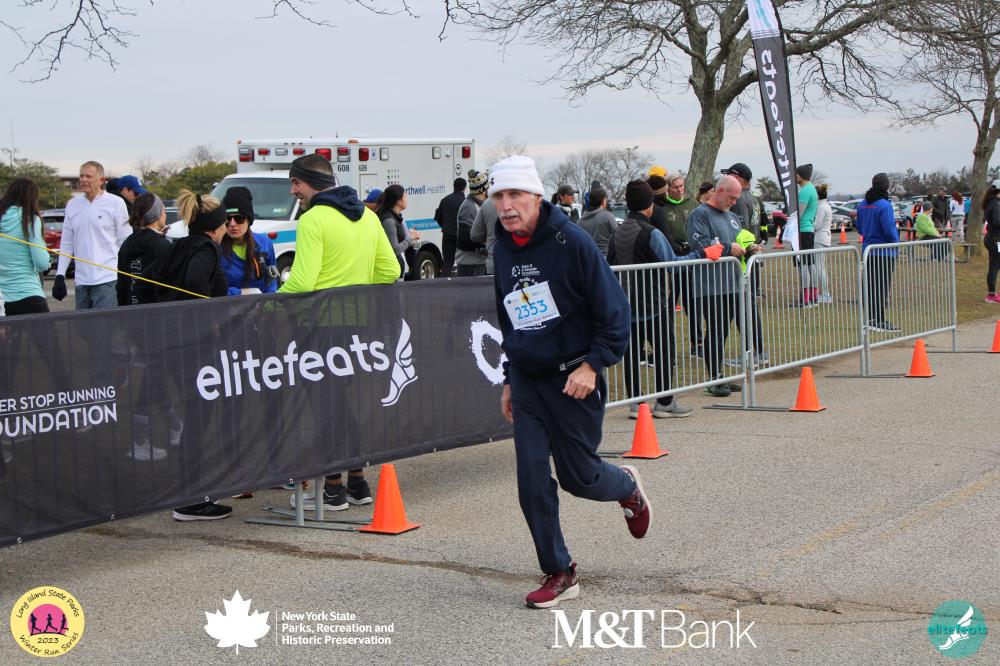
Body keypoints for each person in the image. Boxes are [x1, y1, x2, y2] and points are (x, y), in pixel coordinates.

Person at [490, 155, 651, 609]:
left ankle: (626, 487)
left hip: (573, 378)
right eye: (499, 196)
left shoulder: (572, 242)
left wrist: (592, 365)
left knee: (579, 478)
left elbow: (614, 312)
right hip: (528, 380)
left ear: (536, 196)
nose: (506, 205)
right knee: (531, 480)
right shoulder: (502, 248)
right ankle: (560, 571)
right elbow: (509, 318)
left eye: (515, 195)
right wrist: (509, 377)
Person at [279, 154, 400, 511]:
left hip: (320, 328)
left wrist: (266, 306)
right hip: (358, 327)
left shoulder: (313, 218)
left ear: (311, 183)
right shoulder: (368, 216)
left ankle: (334, 490)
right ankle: (357, 484)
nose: (293, 191)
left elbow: (302, 282)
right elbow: (390, 270)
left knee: (326, 408)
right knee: (343, 405)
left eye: (296, 183)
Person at [608, 179, 722, 418]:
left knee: (632, 355)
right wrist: (703, 253)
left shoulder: (617, 232)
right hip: (653, 303)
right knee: (664, 350)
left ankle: (636, 403)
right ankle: (665, 401)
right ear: (649, 204)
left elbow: (610, 266)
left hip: (625, 303)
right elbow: (673, 264)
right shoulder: (652, 233)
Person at [151, 190, 232, 520]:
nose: (227, 227)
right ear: (215, 226)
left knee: (196, 416)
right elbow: (195, 283)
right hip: (192, 345)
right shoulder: (205, 248)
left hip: (173, 342)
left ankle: (190, 492)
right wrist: (209, 321)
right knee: (199, 417)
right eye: (224, 222)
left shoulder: (182, 245)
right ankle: (189, 499)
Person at [686, 175, 752, 397]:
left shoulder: (731, 216)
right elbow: (700, 245)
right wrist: (727, 248)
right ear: (720, 191)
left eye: (737, 198)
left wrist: (749, 249)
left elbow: (739, 241)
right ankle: (713, 378)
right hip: (710, 285)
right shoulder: (700, 214)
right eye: (732, 197)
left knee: (723, 331)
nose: (734, 202)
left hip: (732, 282)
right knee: (715, 330)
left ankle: (720, 375)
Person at [52, 161, 130, 309]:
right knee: (83, 324)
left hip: (107, 280)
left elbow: (125, 240)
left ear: (101, 180)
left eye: (88, 176)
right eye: (81, 176)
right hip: (81, 282)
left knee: (104, 324)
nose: (83, 180)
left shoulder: (116, 203)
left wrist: (125, 275)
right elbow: (67, 243)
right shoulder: (72, 205)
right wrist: (60, 275)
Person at [856, 173, 900, 331]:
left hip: (868, 250)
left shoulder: (862, 205)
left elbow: (859, 227)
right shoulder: (884, 205)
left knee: (870, 286)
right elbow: (889, 229)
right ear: (886, 186)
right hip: (884, 251)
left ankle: (869, 318)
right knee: (881, 286)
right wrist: (896, 243)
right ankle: (878, 320)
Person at [0, 178, 51, 316]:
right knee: (48, 331)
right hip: (28, 294)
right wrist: (47, 259)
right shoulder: (30, 219)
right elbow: (41, 263)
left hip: (2, 300)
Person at [219, 186, 278, 295]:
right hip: (229, 305)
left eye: (239, 218)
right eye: (228, 218)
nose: (232, 224)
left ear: (249, 220)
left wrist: (270, 298)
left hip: (260, 304)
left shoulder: (265, 243)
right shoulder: (216, 248)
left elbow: (272, 278)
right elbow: (211, 289)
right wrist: (241, 293)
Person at [116, 192, 171, 306]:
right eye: (164, 210)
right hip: (156, 313)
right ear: (157, 214)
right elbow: (167, 288)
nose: (165, 214)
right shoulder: (162, 246)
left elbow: (121, 286)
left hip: (130, 312)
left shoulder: (127, 243)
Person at [376, 184, 419, 280]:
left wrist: (412, 239)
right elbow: (394, 250)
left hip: (396, 270)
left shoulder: (396, 218)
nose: (407, 199)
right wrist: (411, 238)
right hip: (391, 273)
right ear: (398, 201)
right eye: (405, 196)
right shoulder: (389, 221)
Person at [454, 170, 489, 276]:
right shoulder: (469, 207)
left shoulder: (481, 205)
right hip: (470, 266)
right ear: (483, 190)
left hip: (479, 263)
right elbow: (463, 240)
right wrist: (485, 247)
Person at [434, 178, 466, 276]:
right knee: (463, 262)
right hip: (461, 236)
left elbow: (438, 217)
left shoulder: (445, 200)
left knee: (447, 263)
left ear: (454, 186)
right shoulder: (465, 202)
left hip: (447, 235)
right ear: (464, 188)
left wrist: (444, 227)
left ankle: (444, 282)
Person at [577, 187, 618, 256]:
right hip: (605, 256)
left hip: (588, 256)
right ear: (603, 201)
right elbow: (617, 235)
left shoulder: (581, 220)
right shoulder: (608, 216)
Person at [814, 184, 834, 303]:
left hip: (819, 238)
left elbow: (817, 225)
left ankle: (825, 294)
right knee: (820, 267)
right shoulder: (825, 205)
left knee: (819, 267)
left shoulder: (821, 207)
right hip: (823, 238)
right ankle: (824, 294)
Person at [470, 196, 498, 274]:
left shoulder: (488, 203)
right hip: (522, 265)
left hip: (494, 263)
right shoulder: (525, 199)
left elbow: (475, 235)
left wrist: (490, 236)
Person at [982, 179, 1000, 303]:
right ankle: (991, 295)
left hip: (993, 238)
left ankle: (992, 293)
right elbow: (997, 222)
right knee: (995, 265)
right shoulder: (995, 204)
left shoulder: (992, 202)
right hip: (996, 240)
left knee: (996, 265)